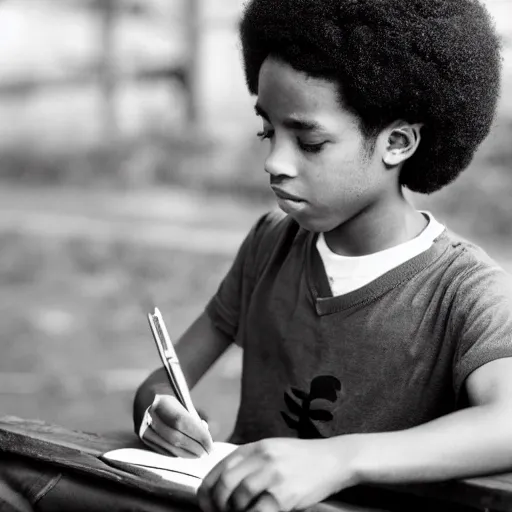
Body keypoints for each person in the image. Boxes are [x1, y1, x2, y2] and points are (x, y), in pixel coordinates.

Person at [133, 0, 512, 511]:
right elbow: (163, 381)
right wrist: (158, 412)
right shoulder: (270, 244)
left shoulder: (464, 291)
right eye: (269, 130)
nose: (274, 162)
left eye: (308, 142)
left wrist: (339, 460)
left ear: (396, 143)